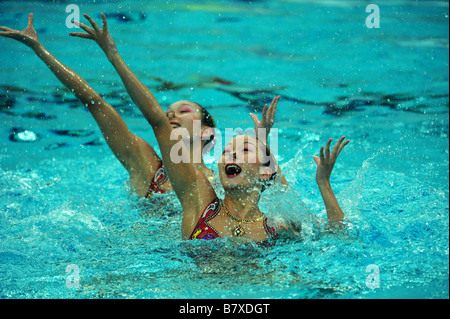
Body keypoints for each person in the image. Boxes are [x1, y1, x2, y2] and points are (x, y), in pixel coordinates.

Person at [0, 13, 218, 200]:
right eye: (168, 112)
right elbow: (95, 103)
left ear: (206, 132)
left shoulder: (222, 184)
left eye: (184, 111)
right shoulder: (146, 165)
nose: (171, 115)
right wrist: (39, 49)